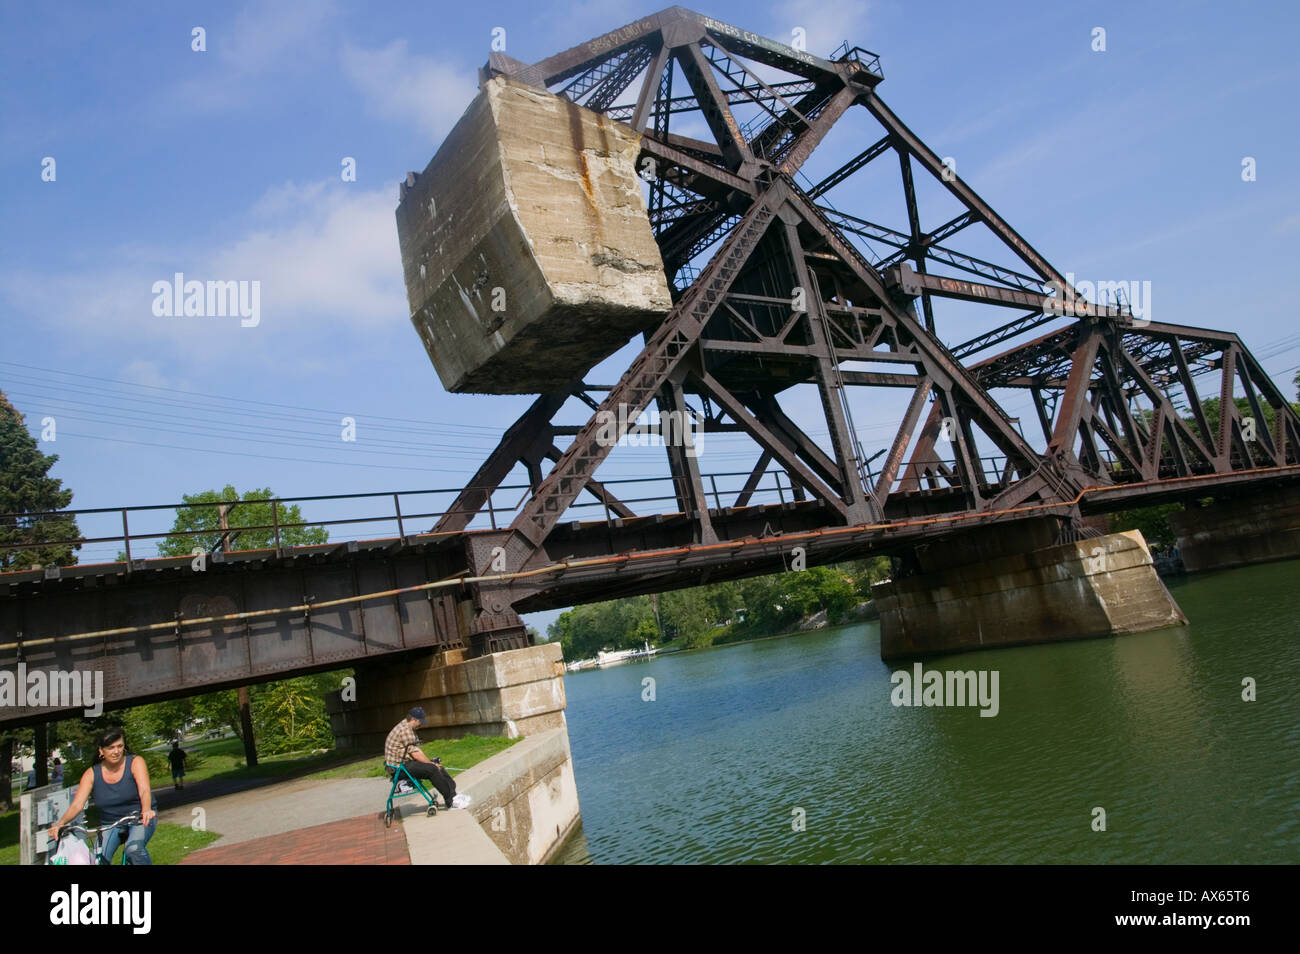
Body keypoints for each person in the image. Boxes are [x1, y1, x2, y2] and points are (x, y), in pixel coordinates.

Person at [48, 727, 157, 864]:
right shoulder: (91, 773)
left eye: (120, 746)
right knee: (98, 859)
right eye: (111, 748)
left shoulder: (135, 762)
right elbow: (77, 804)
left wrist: (146, 809)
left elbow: (144, 790)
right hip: (111, 823)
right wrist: (60, 824)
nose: (116, 751)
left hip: (139, 818)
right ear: (101, 751)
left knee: (133, 849)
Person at [383, 707, 458, 810]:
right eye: (420, 722)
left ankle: (454, 796)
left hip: (405, 762)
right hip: (398, 768)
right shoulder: (405, 731)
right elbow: (415, 754)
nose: (421, 724)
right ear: (414, 719)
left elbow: (417, 750)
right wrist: (431, 764)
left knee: (437, 766)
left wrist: (431, 762)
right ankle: (450, 801)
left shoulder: (408, 727)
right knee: (432, 769)